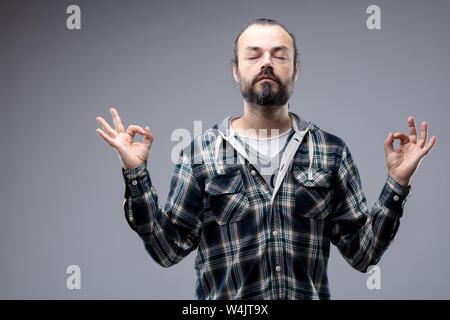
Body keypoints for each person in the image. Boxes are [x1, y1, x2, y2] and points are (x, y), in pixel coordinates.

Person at [95, 18, 437, 299]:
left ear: (296, 69)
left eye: (279, 54)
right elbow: (166, 250)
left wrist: (397, 182)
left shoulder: (331, 152)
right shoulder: (200, 154)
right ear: (236, 70)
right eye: (254, 55)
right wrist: (136, 171)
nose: (267, 63)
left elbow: (363, 255)